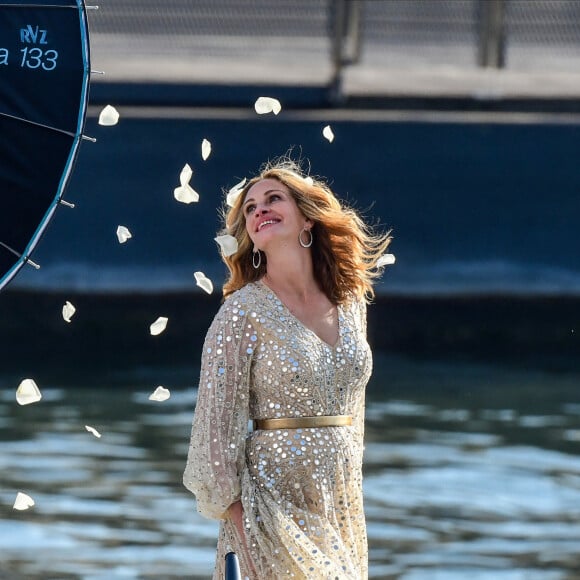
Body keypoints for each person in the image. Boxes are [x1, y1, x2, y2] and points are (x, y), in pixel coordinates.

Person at [183, 156, 391, 579]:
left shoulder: (350, 302)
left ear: (307, 219)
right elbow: (214, 441)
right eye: (250, 208)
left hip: (340, 503)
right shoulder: (240, 313)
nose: (259, 209)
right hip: (269, 509)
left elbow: (355, 418)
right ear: (252, 239)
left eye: (273, 199)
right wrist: (246, 537)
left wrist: (349, 493)